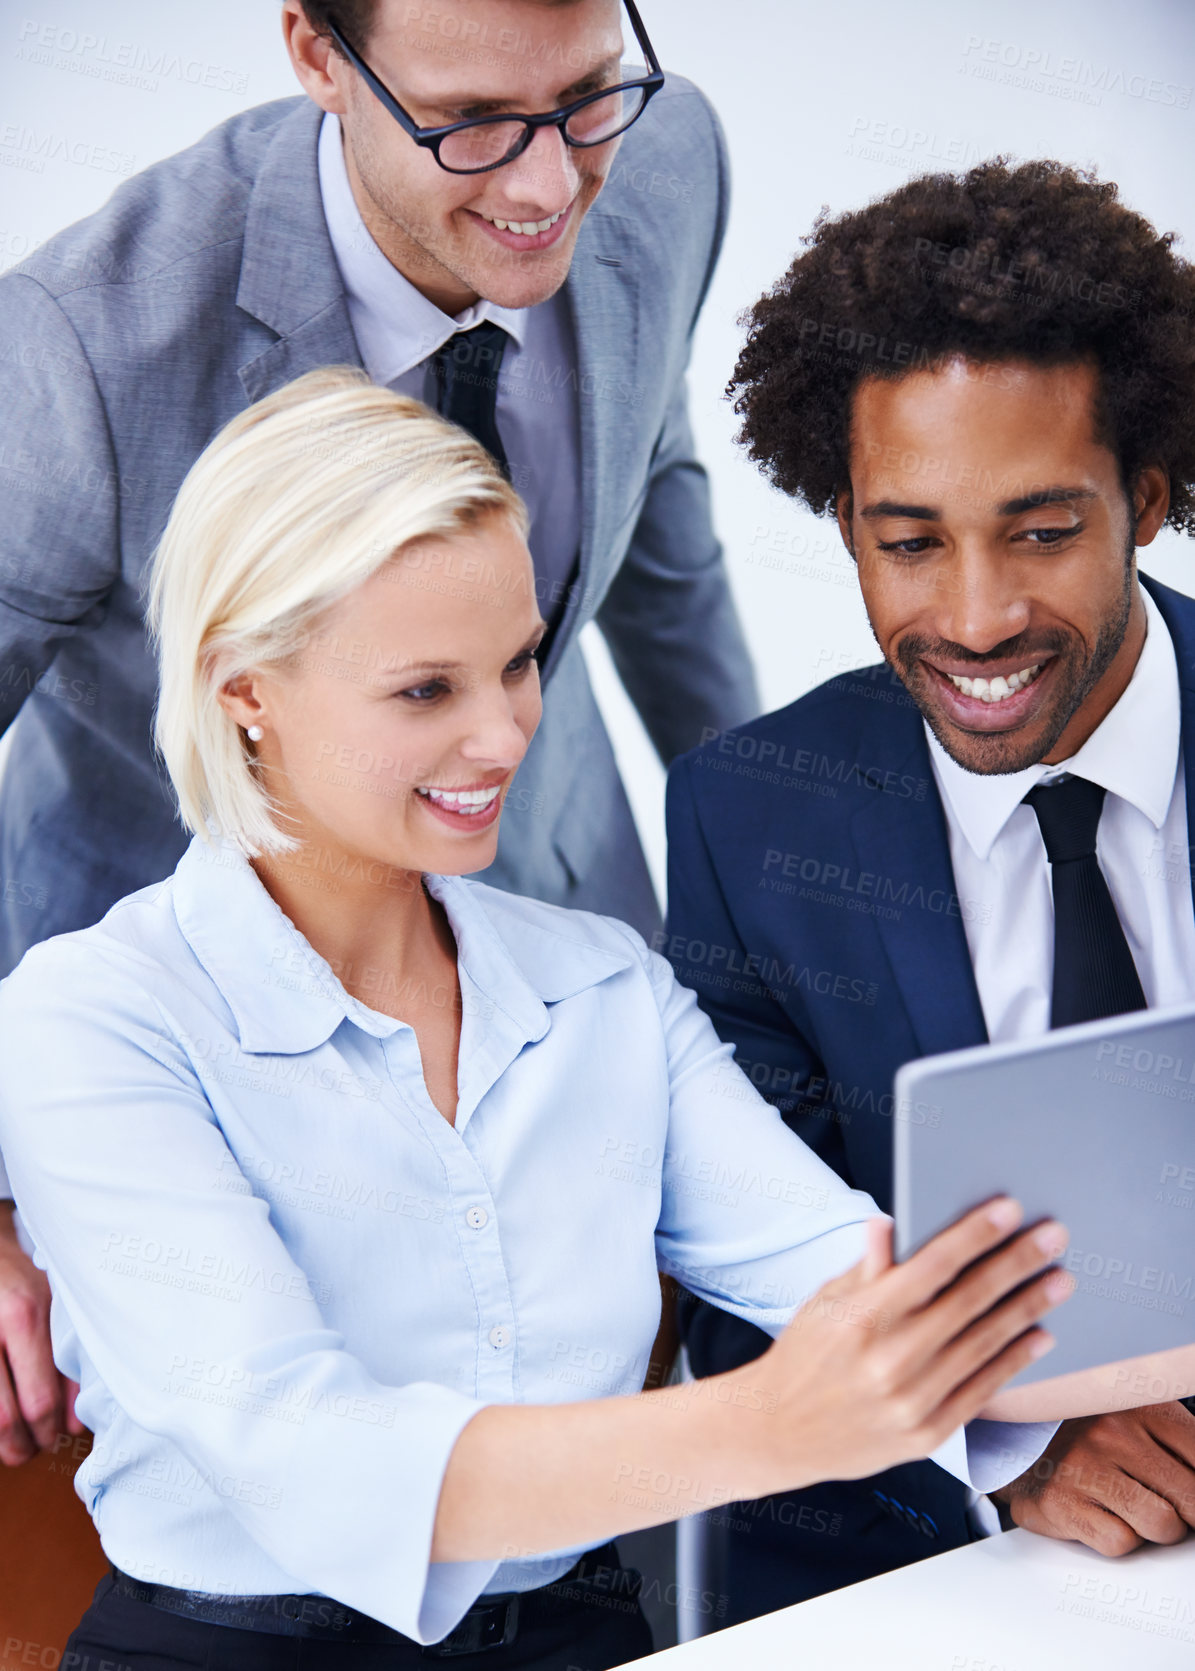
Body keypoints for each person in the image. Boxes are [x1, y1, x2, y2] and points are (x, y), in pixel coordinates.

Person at [0, 368, 1092, 1668]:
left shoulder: (603, 988)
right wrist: (773, 1427)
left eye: (518, 665)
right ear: (245, 688)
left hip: (579, 1638)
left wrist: (1057, 1344)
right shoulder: (94, 1022)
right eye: (425, 692)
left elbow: (850, 1277)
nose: (506, 736)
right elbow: (308, 1457)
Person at [0, 0, 757, 1466]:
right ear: (315, 55)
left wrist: (806, 913)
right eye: (472, 122)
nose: (548, 188)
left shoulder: (668, 165)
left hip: (552, 910)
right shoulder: (79, 346)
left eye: (587, 95)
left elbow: (658, 521)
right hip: (190, 1058)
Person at [663, 157, 1195, 1627]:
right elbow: (732, 1280)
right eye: (909, 543)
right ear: (844, 523)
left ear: (1145, 500)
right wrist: (1008, 1444)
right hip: (948, 1580)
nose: (973, 620)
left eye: (1041, 532)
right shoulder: (752, 815)